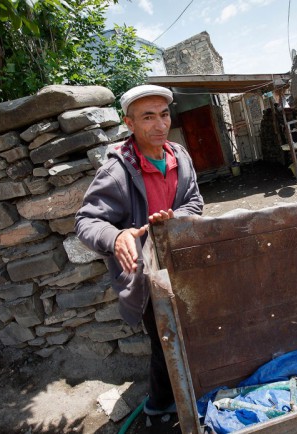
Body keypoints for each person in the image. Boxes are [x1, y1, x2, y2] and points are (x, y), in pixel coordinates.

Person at [75, 84, 204, 416]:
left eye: (164, 115)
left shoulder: (180, 156)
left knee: (191, 331)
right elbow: (87, 221)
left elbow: (195, 202)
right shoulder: (117, 170)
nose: (160, 125)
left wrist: (178, 218)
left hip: (181, 263)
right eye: (148, 117)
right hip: (146, 278)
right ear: (129, 124)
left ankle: (191, 391)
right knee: (165, 343)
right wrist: (117, 237)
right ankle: (159, 405)